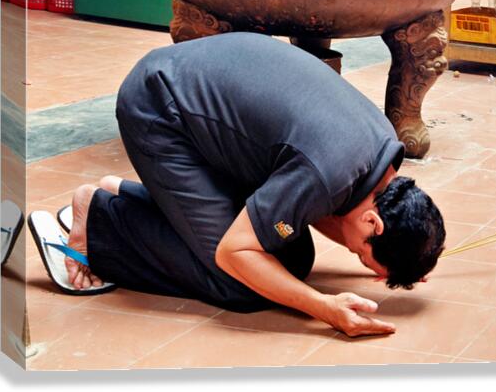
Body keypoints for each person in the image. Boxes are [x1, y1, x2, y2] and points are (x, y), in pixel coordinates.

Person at [58, 34, 445, 337]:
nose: (359, 258)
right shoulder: (326, 173)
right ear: (374, 223)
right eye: (362, 254)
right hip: (161, 108)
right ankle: (100, 221)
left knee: (291, 260)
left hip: (208, 99)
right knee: (240, 283)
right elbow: (233, 252)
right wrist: (323, 307)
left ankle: (128, 195)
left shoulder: (380, 150)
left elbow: (330, 209)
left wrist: (410, 252)